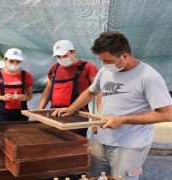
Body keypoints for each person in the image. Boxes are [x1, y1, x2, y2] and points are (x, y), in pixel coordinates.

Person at [52, 31, 172, 180]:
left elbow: (167, 114)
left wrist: (123, 119)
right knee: (93, 176)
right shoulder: (105, 71)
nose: (104, 65)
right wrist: (71, 108)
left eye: (108, 61)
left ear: (125, 56)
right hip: (103, 140)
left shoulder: (149, 77)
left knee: (122, 178)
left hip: (131, 145)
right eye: (102, 60)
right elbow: (91, 92)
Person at [39, 40, 99, 137]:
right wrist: (40, 112)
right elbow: (48, 90)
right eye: (58, 56)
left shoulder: (88, 67)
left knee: (74, 148)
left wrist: (96, 119)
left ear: (73, 52)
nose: (62, 59)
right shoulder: (54, 68)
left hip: (77, 117)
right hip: (54, 115)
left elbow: (98, 92)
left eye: (65, 55)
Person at [0, 48, 33, 123]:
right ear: (5, 59)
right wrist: (2, 97)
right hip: (1, 114)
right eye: (11, 61)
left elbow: (30, 95)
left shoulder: (26, 75)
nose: (14, 64)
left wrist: (25, 97)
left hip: (21, 113)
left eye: (18, 61)